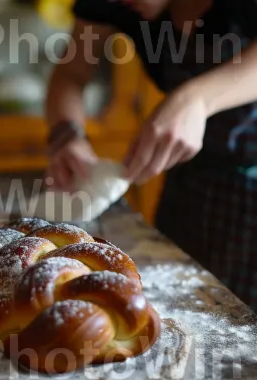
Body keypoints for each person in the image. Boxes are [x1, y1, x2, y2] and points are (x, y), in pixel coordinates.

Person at [45, 0, 257, 310]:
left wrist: (196, 99)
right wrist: (66, 135)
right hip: (189, 185)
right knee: (178, 310)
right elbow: (72, 73)